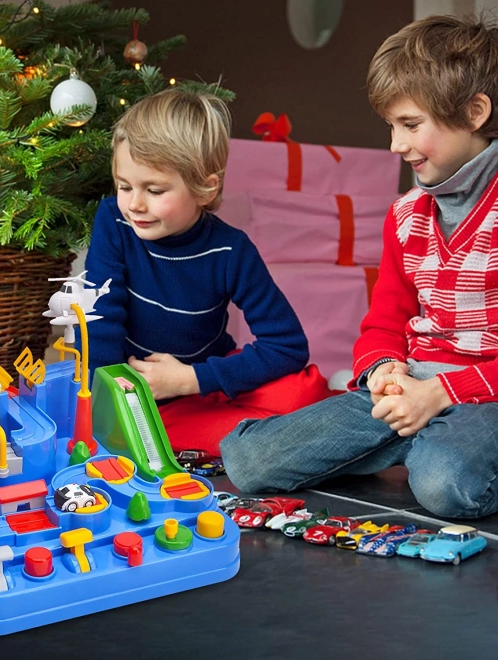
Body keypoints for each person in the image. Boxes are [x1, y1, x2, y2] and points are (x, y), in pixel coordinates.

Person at [220, 14, 498, 519]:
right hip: (414, 385)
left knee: (444, 484)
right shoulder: (405, 214)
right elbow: (384, 320)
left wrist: (444, 392)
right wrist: (385, 368)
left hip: (486, 396)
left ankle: (438, 448)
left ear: (475, 112)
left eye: (411, 125)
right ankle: (425, 442)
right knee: (247, 458)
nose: (395, 145)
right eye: (391, 126)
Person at [78, 89, 331, 456]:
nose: (134, 203)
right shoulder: (114, 221)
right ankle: (201, 436)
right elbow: (101, 320)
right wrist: (112, 403)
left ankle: (206, 433)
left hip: (202, 383)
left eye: (154, 189)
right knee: (113, 412)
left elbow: (288, 346)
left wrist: (189, 379)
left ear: (205, 188)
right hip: (139, 392)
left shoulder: (232, 250)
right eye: (124, 186)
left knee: (305, 390)